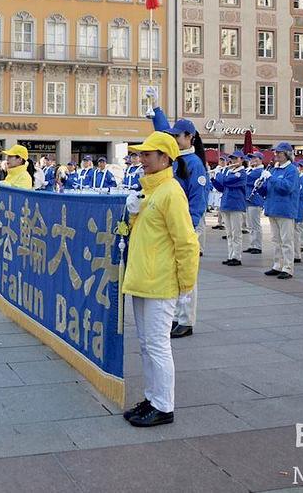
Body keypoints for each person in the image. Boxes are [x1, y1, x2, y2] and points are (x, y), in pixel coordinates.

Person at [121, 131, 199, 428]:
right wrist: (132, 214)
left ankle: (164, 406)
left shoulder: (171, 192)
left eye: (147, 154)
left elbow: (186, 242)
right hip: (143, 278)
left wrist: (186, 284)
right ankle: (152, 397)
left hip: (160, 281)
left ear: (165, 158)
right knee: (145, 344)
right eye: (140, 154)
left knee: (157, 345)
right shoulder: (150, 190)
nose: (141, 159)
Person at [150, 108, 207, 339]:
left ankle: (186, 320)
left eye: (177, 136)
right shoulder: (176, 158)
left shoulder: (194, 163)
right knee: (173, 271)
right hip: (172, 222)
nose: (173, 138)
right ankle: (175, 315)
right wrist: (156, 111)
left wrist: (190, 226)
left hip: (186, 222)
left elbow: (198, 198)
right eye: (173, 136)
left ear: (189, 137)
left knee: (187, 271)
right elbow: (163, 131)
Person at [260, 142, 300, 280]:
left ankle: (288, 268)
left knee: (286, 241)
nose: (276, 154)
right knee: (276, 240)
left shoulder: (292, 170)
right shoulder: (274, 169)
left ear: (287, 154)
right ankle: (278, 265)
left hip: (285, 209)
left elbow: (287, 188)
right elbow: (268, 189)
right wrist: (260, 186)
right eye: (275, 152)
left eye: (279, 152)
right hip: (273, 208)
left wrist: (271, 178)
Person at [213, 150, 248, 266]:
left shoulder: (242, 173)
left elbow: (227, 181)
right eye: (232, 159)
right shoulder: (228, 172)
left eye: (236, 159)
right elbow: (222, 187)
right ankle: (230, 255)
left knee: (236, 233)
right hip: (226, 204)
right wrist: (213, 179)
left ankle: (236, 257)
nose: (233, 161)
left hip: (236, 205)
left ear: (241, 160)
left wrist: (219, 174)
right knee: (229, 233)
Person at [244, 153, 265, 254]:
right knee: (250, 225)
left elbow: (245, 179)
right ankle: (252, 244)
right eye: (251, 158)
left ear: (260, 159)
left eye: (254, 158)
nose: (252, 160)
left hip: (255, 200)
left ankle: (257, 246)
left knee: (255, 224)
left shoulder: (259, 171)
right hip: (249, 200)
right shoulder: (251, 170)